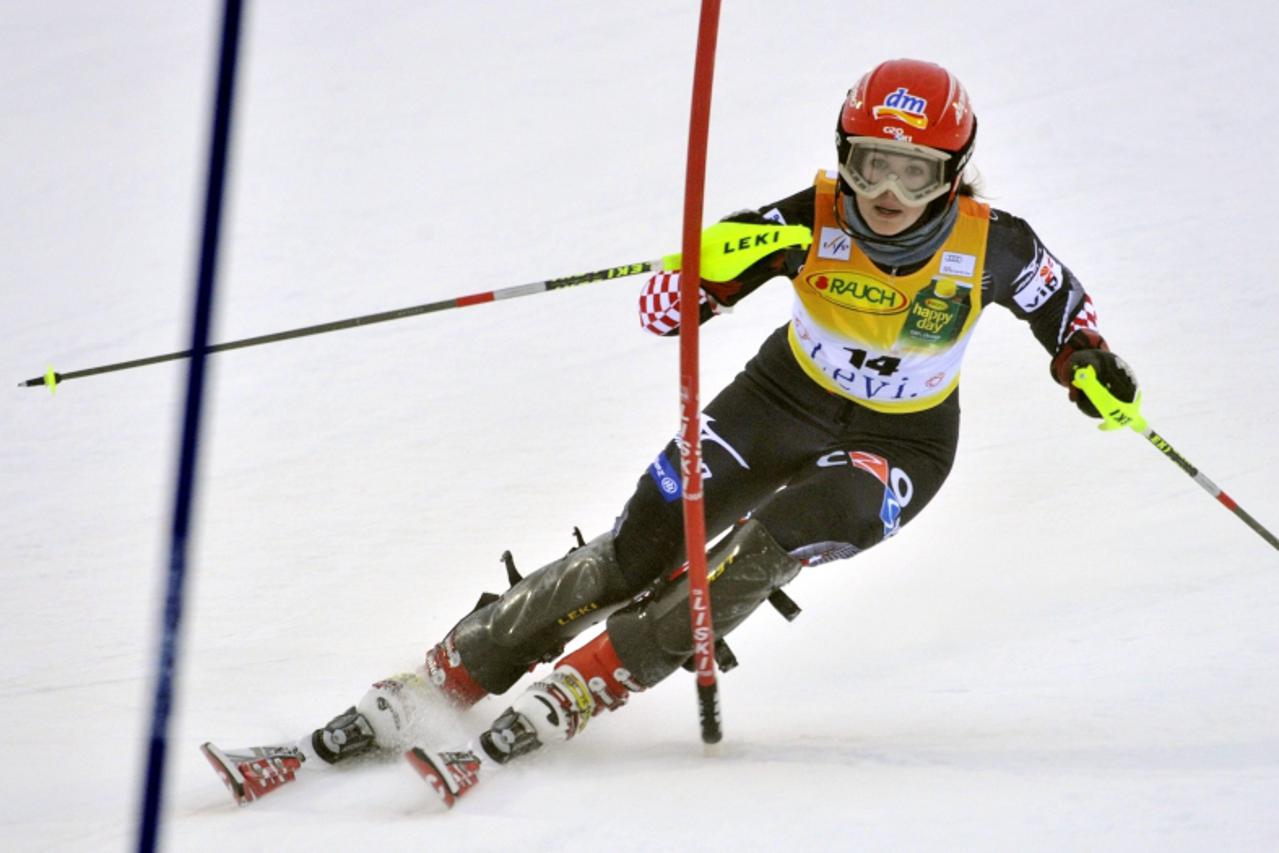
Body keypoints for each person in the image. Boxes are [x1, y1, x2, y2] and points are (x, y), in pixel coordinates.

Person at [201, 58, 1139, 807]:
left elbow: (1067, 315)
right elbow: (711, 267)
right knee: (641, 543)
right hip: (780, 396)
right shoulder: (805, 219)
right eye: (868, 164)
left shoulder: (993, 242)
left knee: (769, 541)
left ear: (953, 173)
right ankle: (443, 678)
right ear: (841, 156)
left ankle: (590, 681)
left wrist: (1088, 368)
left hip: (903, 445)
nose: (886, 192)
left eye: (915, 172)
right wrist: (682, 294)